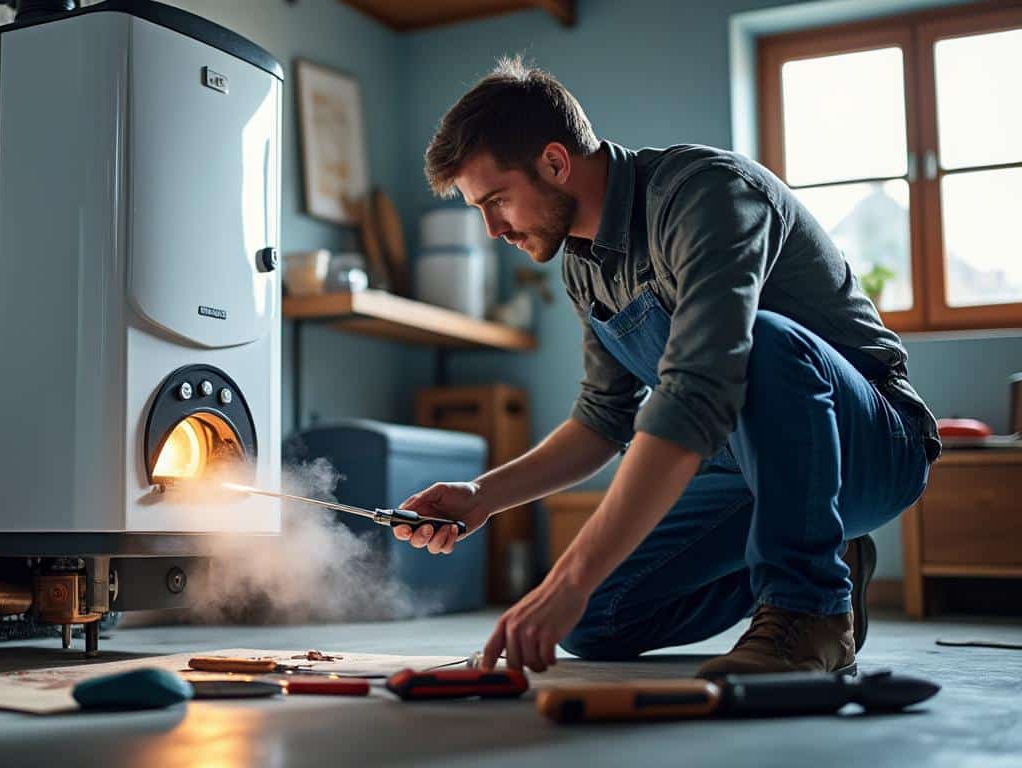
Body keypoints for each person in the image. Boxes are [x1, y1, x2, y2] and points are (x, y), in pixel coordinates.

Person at [393, 57, 939, 678]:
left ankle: (808, 604)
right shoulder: (581, 262)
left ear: (554, 162)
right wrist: (481, 496)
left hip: (871, 446)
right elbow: (602, 420)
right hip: (743, 469)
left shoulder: (707, 194)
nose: (492, 229)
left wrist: (569, 574)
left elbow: (701, 389)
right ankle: (822, 552)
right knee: (593, 617)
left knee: (756, 341)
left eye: (497, 201)